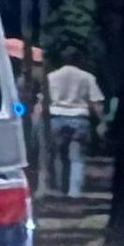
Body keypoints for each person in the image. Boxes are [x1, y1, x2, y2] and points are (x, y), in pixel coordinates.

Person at [42, 55, 103, 197]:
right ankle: (74, 192)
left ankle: (60, 188)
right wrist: (100, 122)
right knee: (77, 157)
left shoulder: (51, 77)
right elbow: (95, 102)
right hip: (79, 117)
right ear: (78, 60)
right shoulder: (87, 77)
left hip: (56, 116)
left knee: (58, 155)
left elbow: (44, 101)